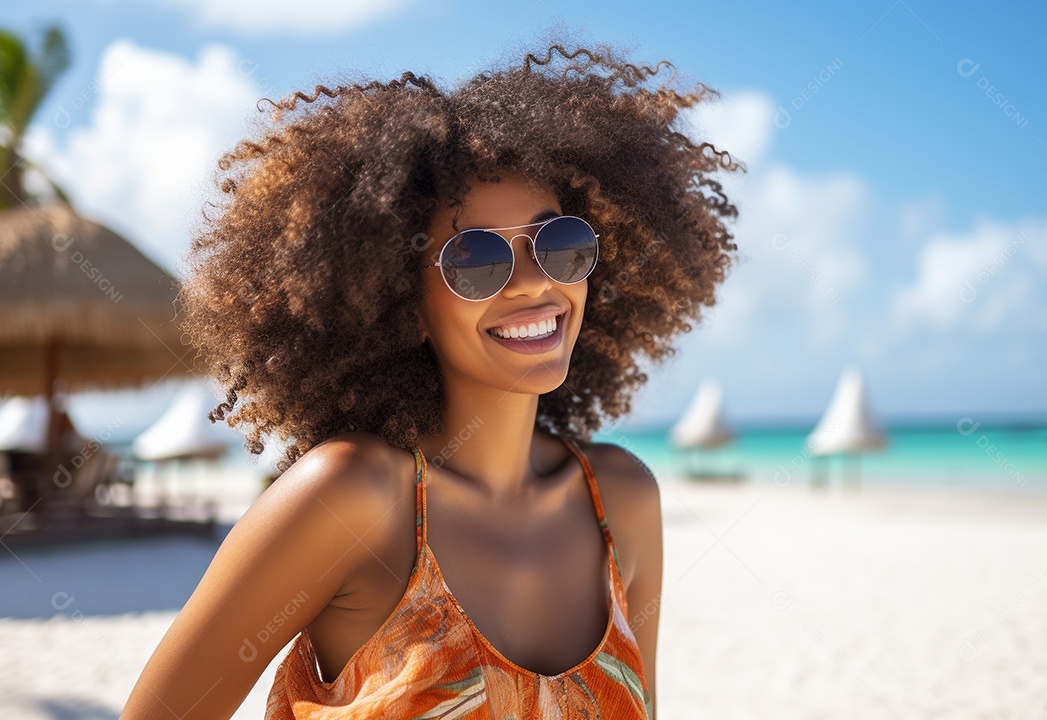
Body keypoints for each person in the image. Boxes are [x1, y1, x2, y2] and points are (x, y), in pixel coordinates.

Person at [121, 33, 740, 720]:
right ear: (404, 304)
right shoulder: (350, 500)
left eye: (559, 243)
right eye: (476, 260)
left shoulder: (622, 502)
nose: (536, 284)